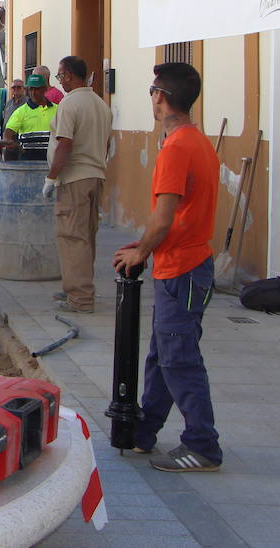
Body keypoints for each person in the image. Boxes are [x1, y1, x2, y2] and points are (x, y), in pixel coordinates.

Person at [112, 62, 222, 472]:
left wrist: (142, 251)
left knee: (179, 358)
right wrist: (142, 247)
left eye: (151, 92)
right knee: (163, 355)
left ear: (160, 96)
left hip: (184, 267)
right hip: (183, 264)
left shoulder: (176, 147)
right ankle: (144, 433)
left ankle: (202, 444)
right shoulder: (196, 140)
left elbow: (164, 216)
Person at [44, 56, 113, 314]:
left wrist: (52, 177)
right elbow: (105, 144)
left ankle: (80, 298)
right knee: (86, 236)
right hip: (95, 175)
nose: (59, 81)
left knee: (73, 237)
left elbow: (65, 143)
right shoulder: (100, 104)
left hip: (74, 178)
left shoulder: (70, 104)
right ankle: (77, 289)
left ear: (70, 75)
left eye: (60, 76)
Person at [2, 74, 57, 159]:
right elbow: (9, 130)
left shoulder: (57, 110)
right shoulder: (21, 111)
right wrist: (8, 140)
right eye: (31, 89)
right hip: (28, 161)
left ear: (44, 89)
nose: (33, 92)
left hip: (52, 160)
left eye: (37, 89)